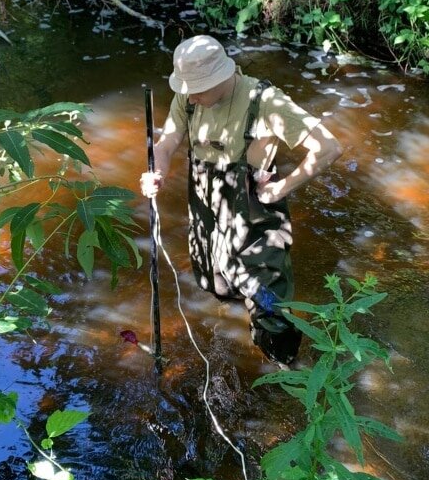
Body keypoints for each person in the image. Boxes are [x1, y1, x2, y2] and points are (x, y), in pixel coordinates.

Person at [140, 35, 342, 368]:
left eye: (197, 89)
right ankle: (238, 340)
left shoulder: (266, 102)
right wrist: (156, 174)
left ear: (221, 77)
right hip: (208, 208)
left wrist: (281, 189)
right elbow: (165, 145)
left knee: (269, 301)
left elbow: (329, 147)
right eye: (187, 89)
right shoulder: (188, 98)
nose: (189, 96)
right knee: (217, 279)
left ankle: (287, 371)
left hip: (254, 209)